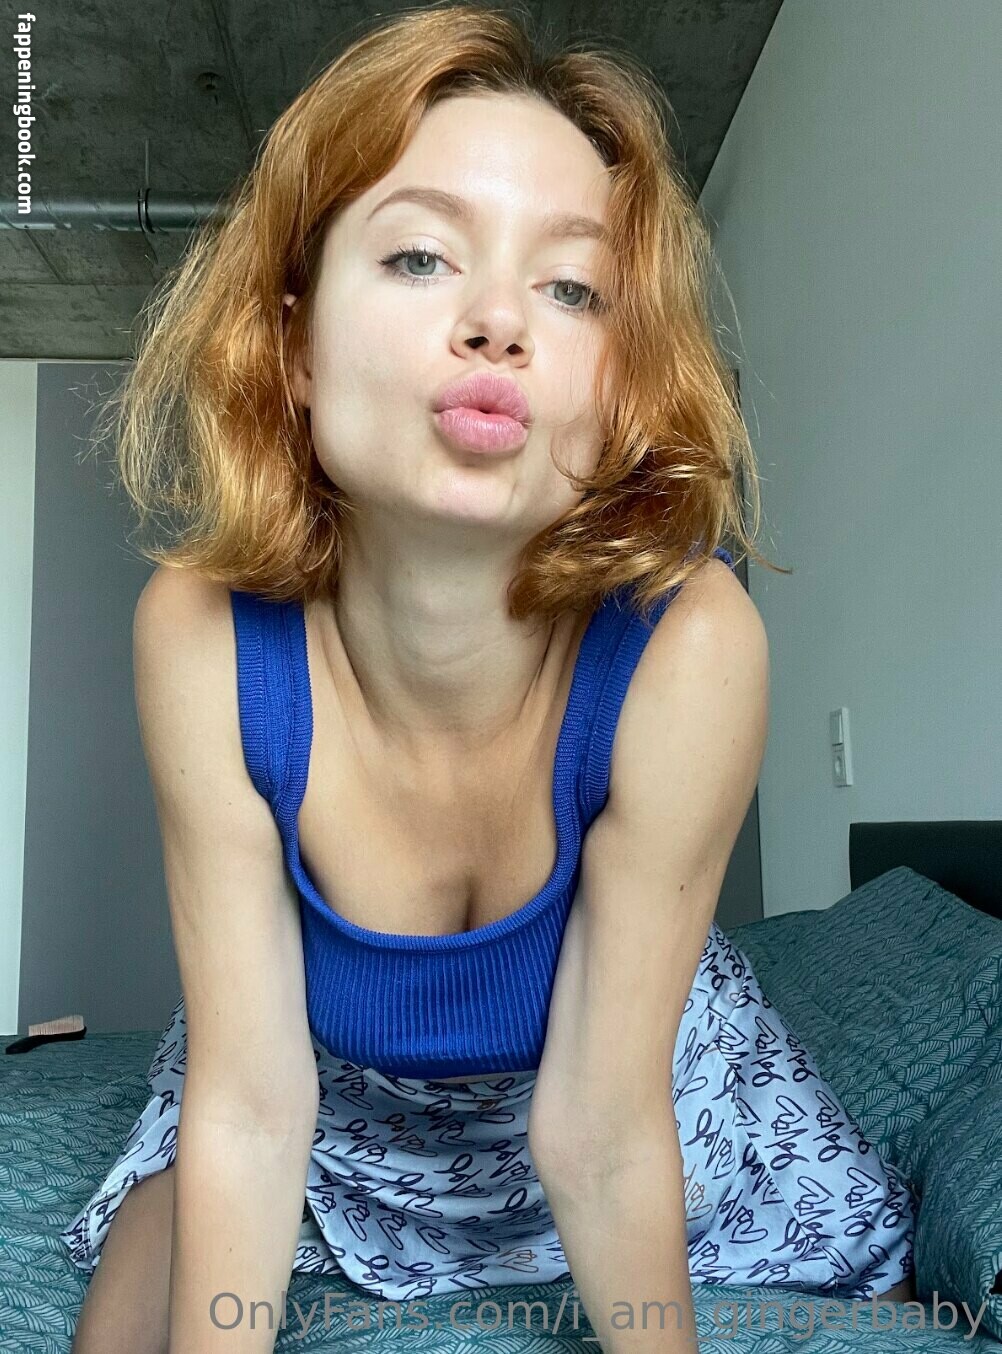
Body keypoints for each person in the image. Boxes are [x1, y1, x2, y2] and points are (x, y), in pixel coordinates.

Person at [61, 4, 917, 1351]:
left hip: (643, 1090)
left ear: (614, 390)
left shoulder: (690, 645)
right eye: (419, 256)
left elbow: (602, 1123)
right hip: (331, 1105)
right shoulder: (200, 629)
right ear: (292, 347)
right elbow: (252, 1106)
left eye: (572, 289)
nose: (500, 322)